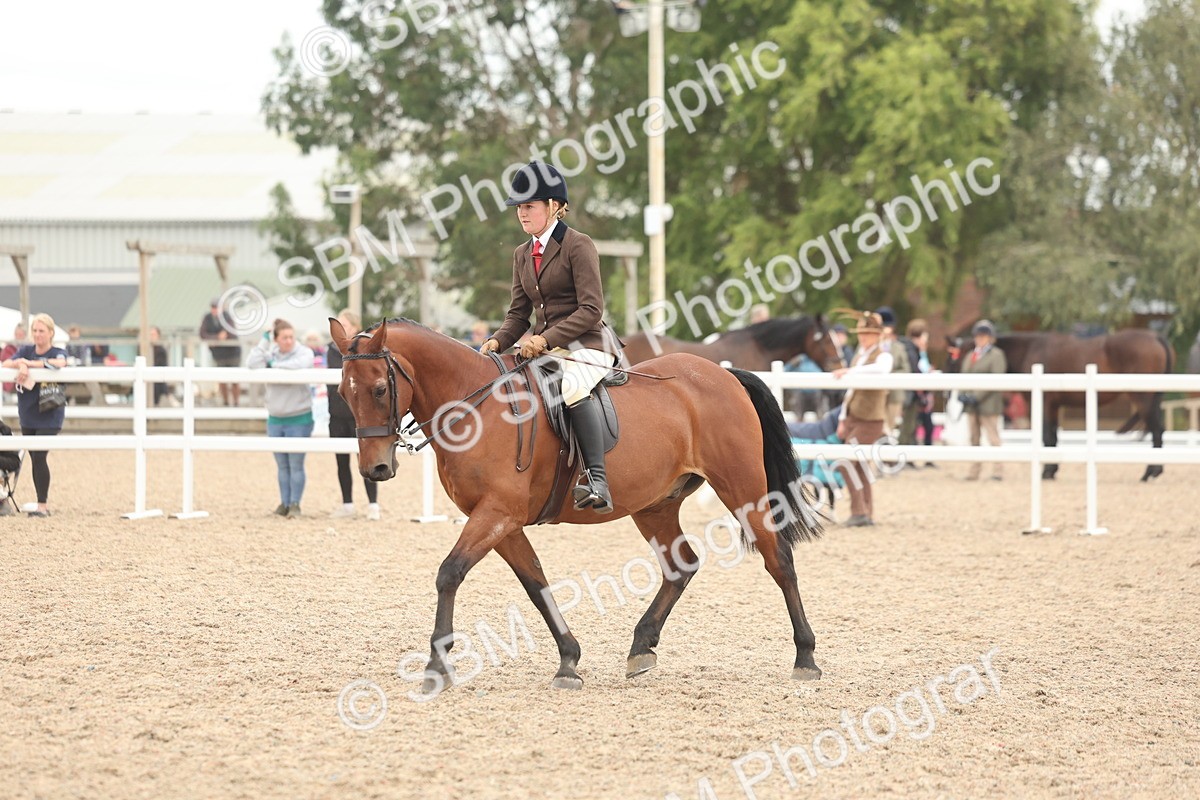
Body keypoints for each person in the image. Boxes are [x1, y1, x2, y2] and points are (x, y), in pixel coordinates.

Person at [480, 161, 623, 514]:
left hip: (588, 345)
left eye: (529, 206)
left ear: (554, 206)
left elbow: (592, 309)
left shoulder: (578, 245)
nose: (522, 214)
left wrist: (544, 339)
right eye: (519, 208)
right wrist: (497, 342)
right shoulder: (522, 254)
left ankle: (597, 479)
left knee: (572, 388)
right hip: (547, 349)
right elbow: (518, 314)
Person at [1, 313, 68, 517]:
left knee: (40, 456)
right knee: (34, 456)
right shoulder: (26, 350)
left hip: (49, 413)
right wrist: (21, 363)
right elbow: (6, 363)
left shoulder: (57, 351)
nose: (38, 335)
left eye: (42, 331)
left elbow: (60, 363)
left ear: (50, 333)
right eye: (35, 331)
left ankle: (42, 505)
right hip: (28, 412)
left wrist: (28, 364)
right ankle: (41, 503)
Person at [248, 318, 315, 517]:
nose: (288, 341)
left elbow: (300, 364)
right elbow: (252, 363)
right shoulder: (270, 353)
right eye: (284, 337)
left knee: (296, 464)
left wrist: (273, 365)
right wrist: (264, 341)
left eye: (291, 337)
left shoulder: (304, 352)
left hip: (298, 417)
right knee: (282, 465)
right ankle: (284, 502)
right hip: (276, 418)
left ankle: (295, 503)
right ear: (276, 339)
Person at [832, 311, 893, 527]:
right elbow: (850, 391)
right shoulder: (860, 356)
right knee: (859, 467)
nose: (863, 337)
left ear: (877, 335)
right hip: (853, 417)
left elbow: (882, 370)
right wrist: (842, 418)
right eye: (861, 334)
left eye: (868, 334)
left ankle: (859, 511)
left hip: (870, 419)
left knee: (848, 462)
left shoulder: (882, 355)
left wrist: (850, 370)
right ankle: (865, 512)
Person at [325, 311, 381, 521]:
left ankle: (373, 504)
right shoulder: (332, 350)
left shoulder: (366, 349)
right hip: (336, 412)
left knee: (367, 459)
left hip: (359, 413)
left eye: (346, 325)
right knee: (341, 461)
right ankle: (347, 503)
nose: (342, 329)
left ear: (355, 326)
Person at [961, 319, 1007, 481]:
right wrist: (963, 394)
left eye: (983, 336)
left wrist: (976, 396)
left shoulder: (996, 356)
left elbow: (996, 379)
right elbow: (964, 376)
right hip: (971, 405)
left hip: (988, 403)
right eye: (977, 336)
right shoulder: (970, 356)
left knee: (993, 437)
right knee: (974, 437)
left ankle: (998, 470)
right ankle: (975, 470)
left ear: (990, 338)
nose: (979, 339)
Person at [199, 299, 242, 406]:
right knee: (222, 379)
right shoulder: (207, 318)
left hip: (233, 353)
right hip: (219, 355)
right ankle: (226, 402)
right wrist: (216, 337)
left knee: (234, 379)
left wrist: (216, 338)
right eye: (213, 308)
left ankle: (236, 402)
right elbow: (202, 334)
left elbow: (231, 334)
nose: (215, 310)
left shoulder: (227, 317)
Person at [1, 323, 27, 395]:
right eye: (17, 334)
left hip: (26, 382)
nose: (18, 337)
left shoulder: (29, 348)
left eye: (21, 334)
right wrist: (20, 364)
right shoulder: (9, 348)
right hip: (11, 382)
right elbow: (5, 362)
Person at [149, 326, 170, 406]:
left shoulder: (161, 350)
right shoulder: (146, 349)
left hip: (158, 381)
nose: (151, 337)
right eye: (150, 334)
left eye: (153, 334)